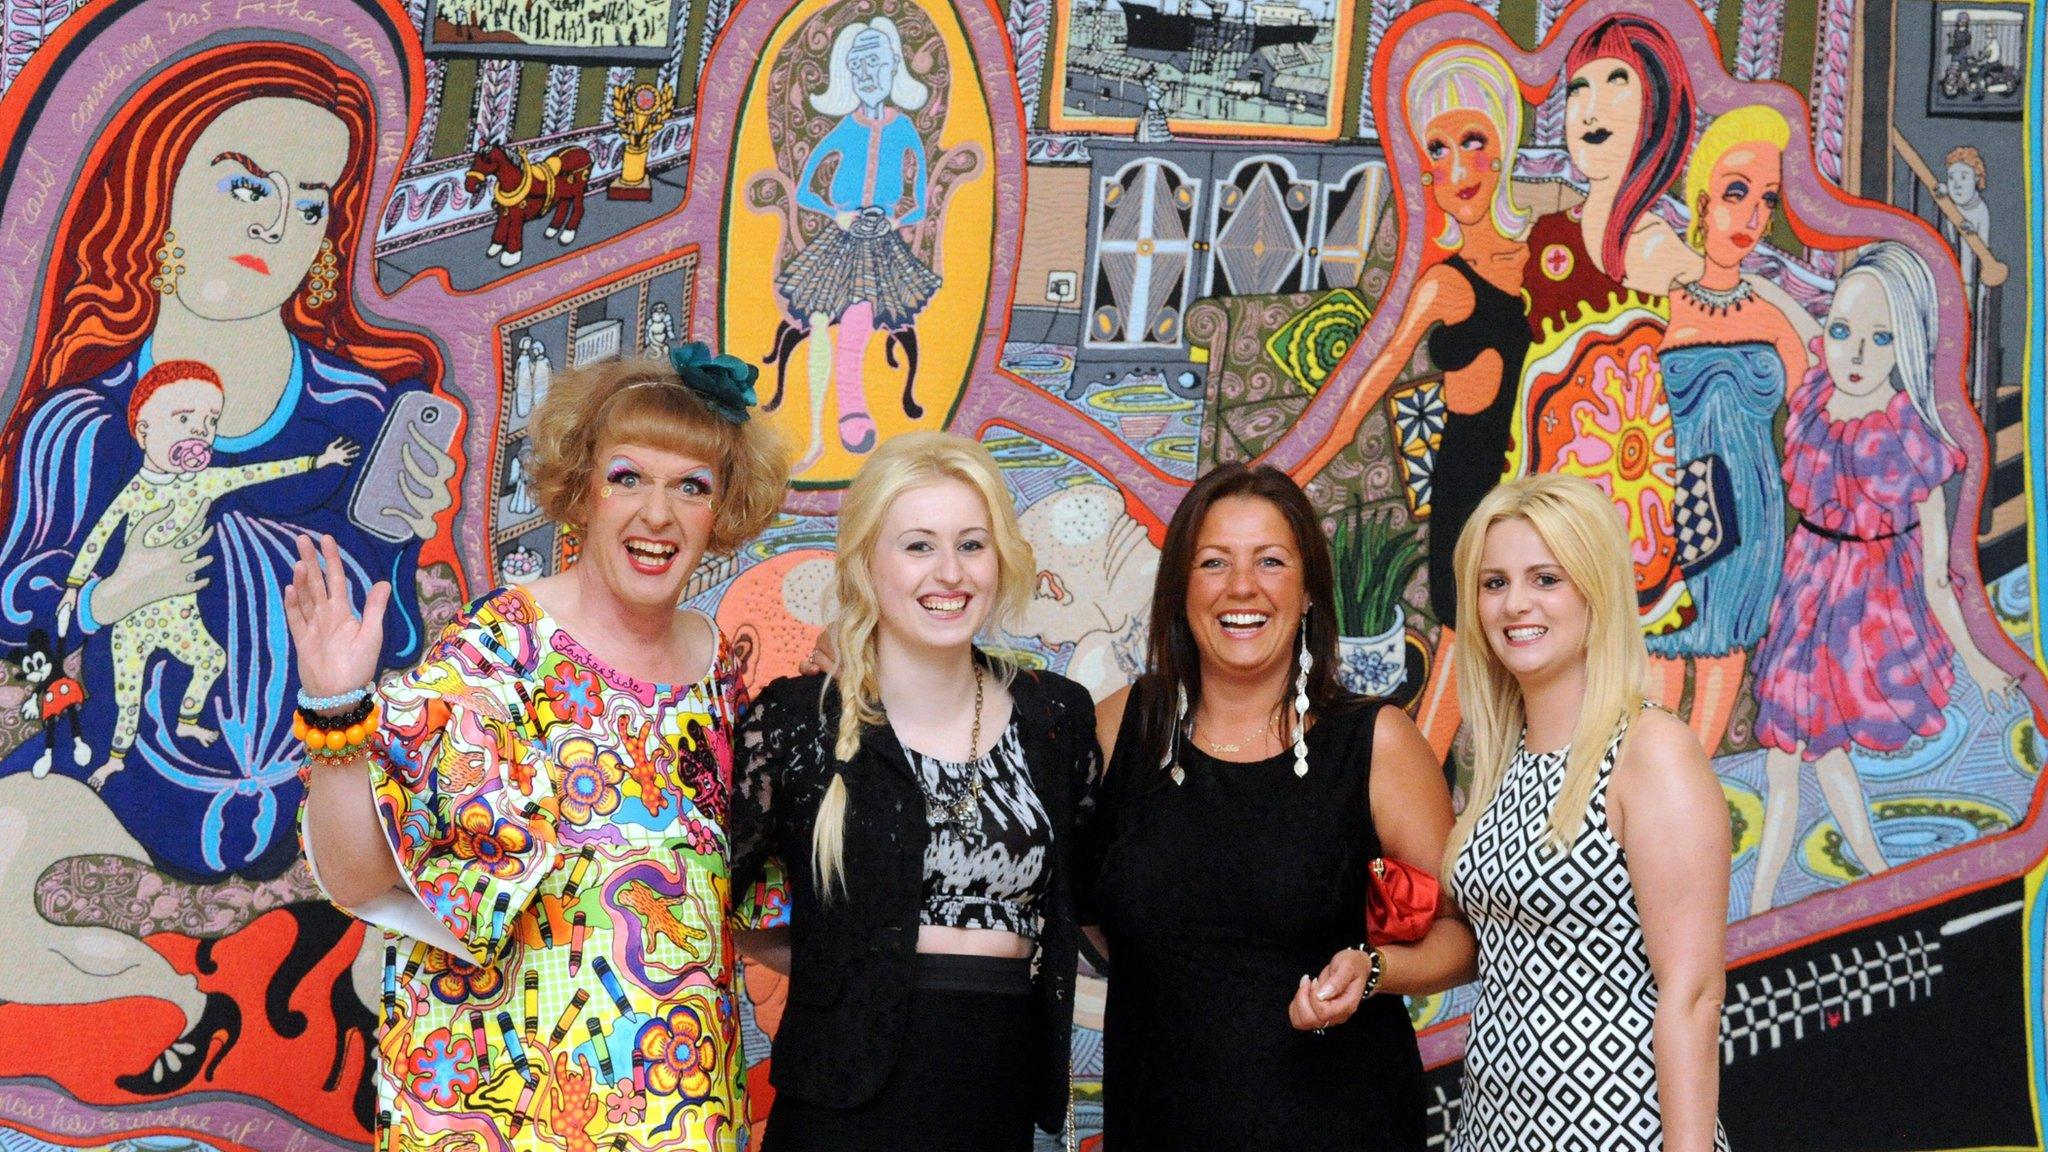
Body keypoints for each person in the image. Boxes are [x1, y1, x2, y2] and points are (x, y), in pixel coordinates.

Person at [291, 345, 788, 1149]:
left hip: (680, 1112)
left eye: (690, 486)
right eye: (628, 476)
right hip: (503, 1115)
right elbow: (360, 876)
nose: (657, 514)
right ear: (583, 490)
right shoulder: (501, 648)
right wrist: (337, 710)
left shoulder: (721, 673)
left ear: (721, 511)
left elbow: (752, 918)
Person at [730, 431, 1099, 1151]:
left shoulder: (1057, 716)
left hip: (994, 1093)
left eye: (971, 544)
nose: (950, 573)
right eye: (919, 546)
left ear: (1001, 560)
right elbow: (701, 900)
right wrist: (847, 960)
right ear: (869, 560)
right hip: (839, 1104)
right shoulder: (797, 721)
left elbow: (1099, 897)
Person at [1089, 463, 1472, 1150]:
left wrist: (1373, 967)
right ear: (1180, 590)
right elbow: (1086, 908)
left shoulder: (1376, 743)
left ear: (1307, 594)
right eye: (1214, 562)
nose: (1243, 587)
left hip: (1344, 1125)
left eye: (1270, 560)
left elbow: (1460, 937)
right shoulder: (1120, 729)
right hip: (1160, 1126)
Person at [1444, 472, 1728, 1152]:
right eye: (1494, 583)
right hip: (1490, 1130)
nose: (1516, 604)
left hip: (1613, 1132)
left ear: (1595, 590)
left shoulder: (1650, 750)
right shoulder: (1501, 760)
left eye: (1546, 578)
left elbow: (1693, 994)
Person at [1747, 242, 2014, 912]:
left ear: (1908, 346)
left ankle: (1766, 905)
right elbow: (1806, 330)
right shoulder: (1818, 392)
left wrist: (1980, 660)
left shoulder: (1910, 436)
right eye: (1845, 332)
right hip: (1807, 586)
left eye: (1879, 338)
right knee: (1798, 756)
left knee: (1801, 755)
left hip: (1861, 611)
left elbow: (1937, 579)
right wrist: (1750, 281)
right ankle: (1852, 875)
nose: (1854, 354)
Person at [1292, 41, 1536, 759]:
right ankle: (1413, 816)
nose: (1457, 167)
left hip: (1537, 487)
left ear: (1503, 151)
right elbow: (1362, 392)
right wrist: (1291, 479)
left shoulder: (1546, 258)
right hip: (1469, 489)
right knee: (1466, 652)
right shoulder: (1442, 284)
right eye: (1438, 148)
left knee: (1523, 665)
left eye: (1473, 141)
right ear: (1424, 169)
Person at [59, 359, 359, 787]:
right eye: (183, 418)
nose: (200, 430)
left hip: (181, 613)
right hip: (133, 621)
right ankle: (114, 760)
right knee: (128, 699)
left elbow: (256, 472)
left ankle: (186, 720)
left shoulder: (205, 482)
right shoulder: (136, 489)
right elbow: (100, 534)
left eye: (209, 421)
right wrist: (74, 587)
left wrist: (317, 460)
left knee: (211, 659)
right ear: (143, 431)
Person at [1516, 15, 1696, 639]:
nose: (1590, 108)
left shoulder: (1660, 250)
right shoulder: (1545, 234)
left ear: (1658, 105)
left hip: (1630, 510)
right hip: (1532, 499)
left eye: (1616, 80)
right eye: (1577, 90)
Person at [1648, 105, 1810, 756]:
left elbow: (1813, 419)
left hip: (1752, 518)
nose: (1750, 217)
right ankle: (1655, 791)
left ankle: (1699, 785)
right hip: (1671, 512)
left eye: (1765, 200)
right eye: (1737, 192)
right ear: (1703, 197)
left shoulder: (1774, 318)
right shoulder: (1658, 302)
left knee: (1724, 656)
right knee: (1662, 651)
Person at [776, 16, 942, 467]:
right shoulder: (845, 129)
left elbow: (921, 201)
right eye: (860, 67)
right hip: (840, 241)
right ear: (849, 75)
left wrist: (892, 220)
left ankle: (853, 411)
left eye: (878, 65)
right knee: (816, 322)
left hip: (882, 247)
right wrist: (840, 215)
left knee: (855, 328)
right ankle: (812, 435)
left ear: (893, 70)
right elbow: (807, 189)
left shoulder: (904, 129)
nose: (870, 75)